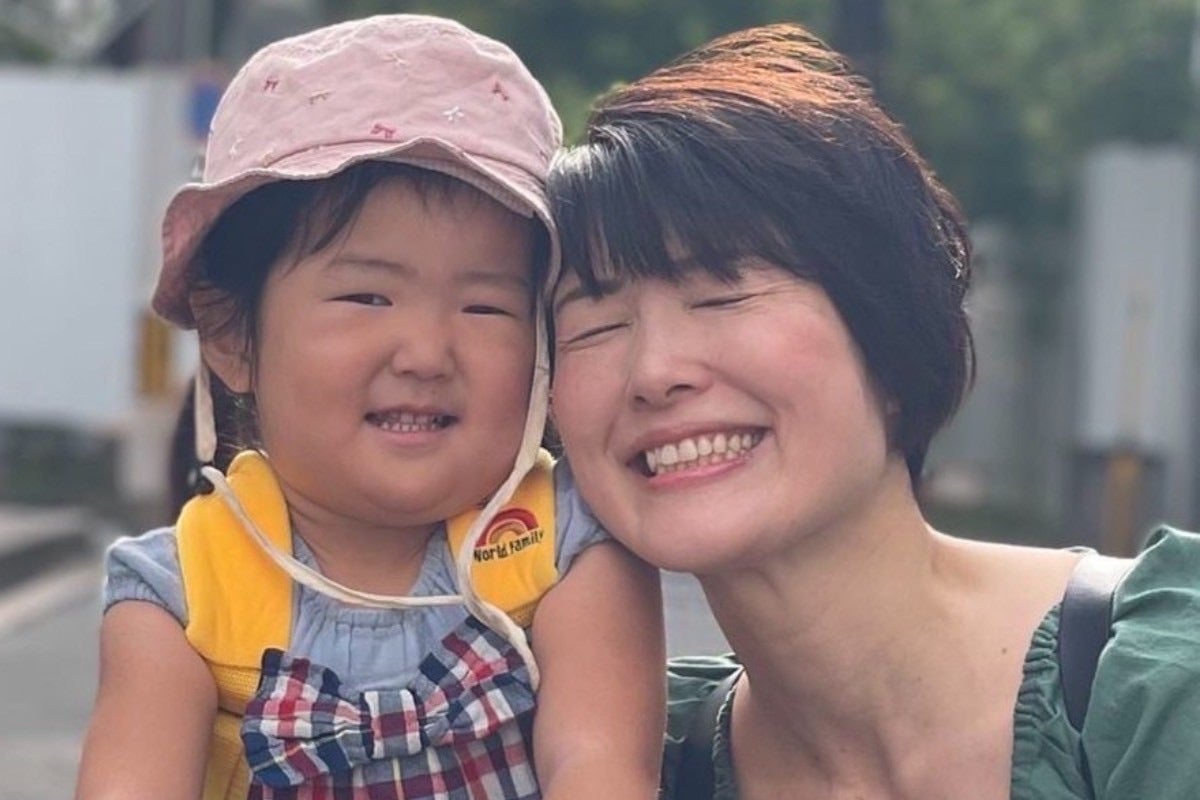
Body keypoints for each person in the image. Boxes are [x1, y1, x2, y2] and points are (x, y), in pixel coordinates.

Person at [547, 23, 1200, 800]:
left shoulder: (1160, 676)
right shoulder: (609, 759)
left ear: (889, 335)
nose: (654, 373)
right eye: (593, 324)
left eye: (722, 293)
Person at [75, 15, 663, 800]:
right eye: (367, 296)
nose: (425, 352)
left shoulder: (567, 547)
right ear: (230, 335)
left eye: (485, 306)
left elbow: (600, 766)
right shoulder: (182, 600)